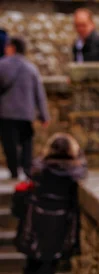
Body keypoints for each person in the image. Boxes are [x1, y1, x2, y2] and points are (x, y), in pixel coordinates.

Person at [14, 133, 87, 274]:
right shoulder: (73, 173)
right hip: (58, 223)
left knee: (30, 267)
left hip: (35, 220)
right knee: (48, 269)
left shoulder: (39, 168)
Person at [0, 37, 50, 179]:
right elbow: (39, 94)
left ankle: (14, 170)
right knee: (27, 143)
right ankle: (27, 170)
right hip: (26, 113)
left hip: (7, 112)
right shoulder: (31, 68)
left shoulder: (2, 65)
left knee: (9, 144)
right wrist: (44, 115)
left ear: (12, 48)